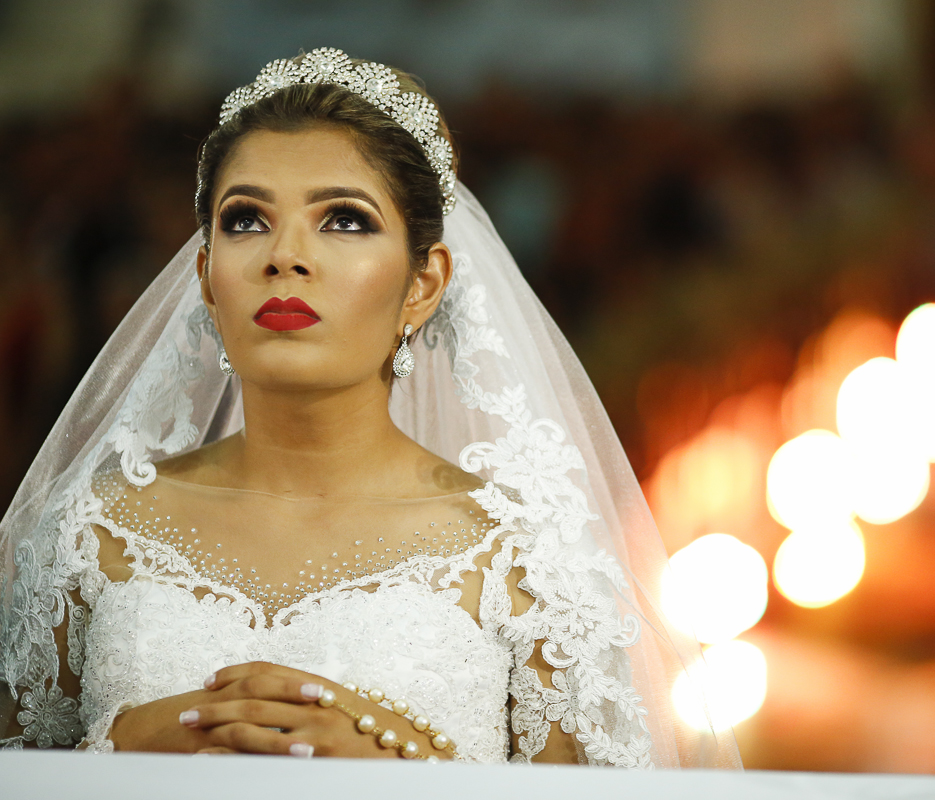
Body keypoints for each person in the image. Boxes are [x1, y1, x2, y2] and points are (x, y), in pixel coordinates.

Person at [0, 49, 740, 767]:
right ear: (205, 275)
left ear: (423, 285)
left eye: (344, 220)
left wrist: (420, 771)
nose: (284, 255)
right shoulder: (93, 534)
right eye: (246, 220)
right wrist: (118, 754)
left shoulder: (524, 563)